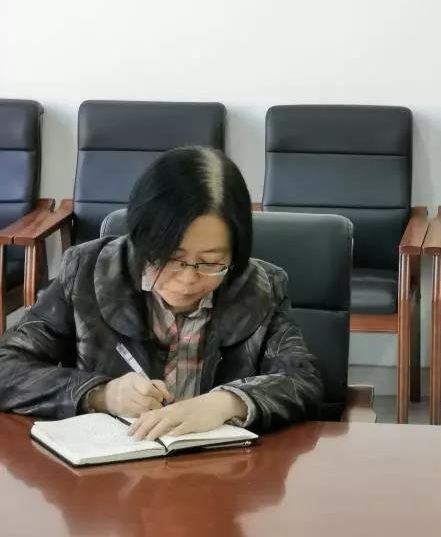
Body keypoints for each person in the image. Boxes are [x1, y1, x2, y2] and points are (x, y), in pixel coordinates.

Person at [0, 146, 323, 439]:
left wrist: (226, 403)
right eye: (170, 258)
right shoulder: (86, 271)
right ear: (141, 240)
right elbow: (6, 366)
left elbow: (301, 381)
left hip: (222, 472)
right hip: (111, 472)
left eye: (211, 262)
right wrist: (100, 394)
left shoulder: (260, 287)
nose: (187, 279)